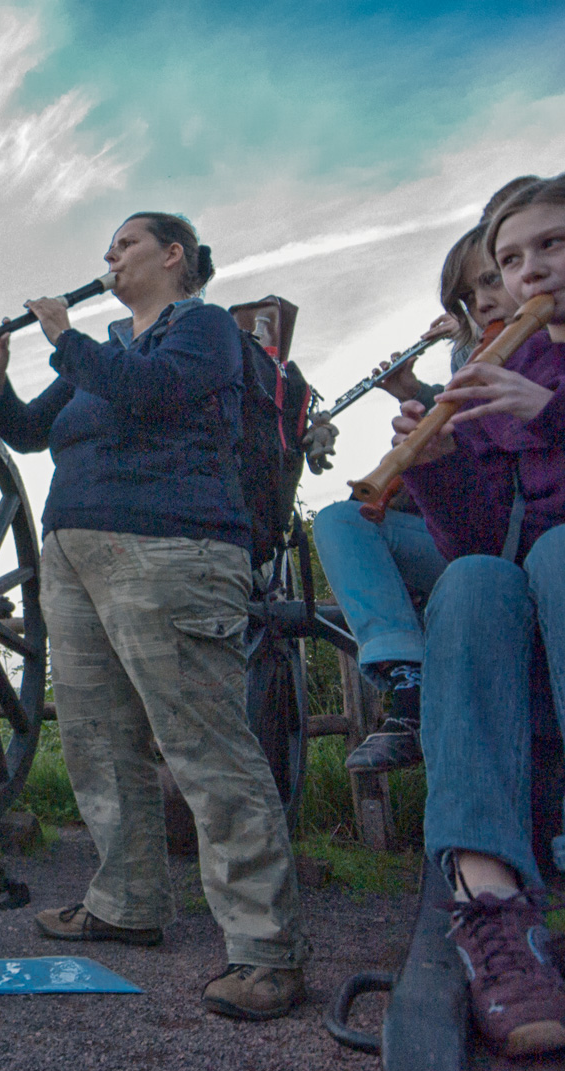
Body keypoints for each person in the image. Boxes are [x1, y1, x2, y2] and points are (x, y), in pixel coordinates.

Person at [0, 213, 306, 1020]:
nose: (109, 258)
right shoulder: (108, 349)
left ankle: (266, 950)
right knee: (98, 737)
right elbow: (28, 430)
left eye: (124, 246)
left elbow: (154, 396)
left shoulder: (205, 333)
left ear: (172, 255)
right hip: (78, 557)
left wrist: (64, 334)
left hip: (174, 549)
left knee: (204, 745)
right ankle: (127, 901)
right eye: (108, 249)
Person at [401, 175, 565, 1057]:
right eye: (511, 257)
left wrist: (556, 414)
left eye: (554, 246)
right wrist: (434, 459)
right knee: (471, 580)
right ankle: (491, 906)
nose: (531, 270)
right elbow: (479, 537)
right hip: (540, 619)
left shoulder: (541, 383)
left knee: (558, 553)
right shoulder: (513, 364)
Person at [314, 223, 520, 773]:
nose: (481, 302)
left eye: (491, 282)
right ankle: (408, 681)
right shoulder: (472, 357)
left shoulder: (534, 352)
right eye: (467, 296)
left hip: (530, 541)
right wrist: (417, 407)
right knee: (341, 519)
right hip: (475, 540)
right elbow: (471, 446)